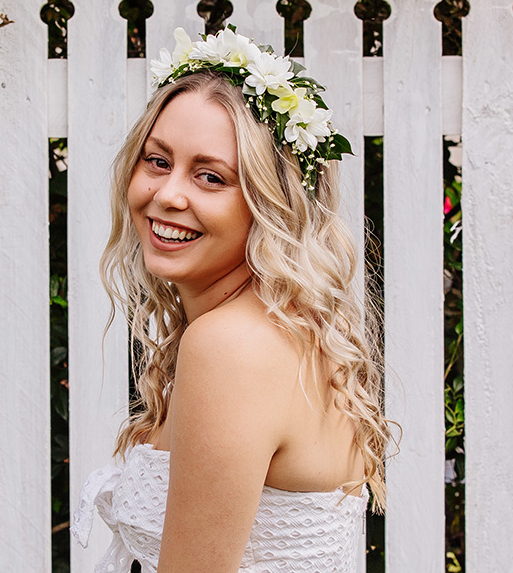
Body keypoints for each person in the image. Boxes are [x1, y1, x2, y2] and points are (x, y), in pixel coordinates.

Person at [71, 28, 392, 572]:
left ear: (270, 203)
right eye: (156, 160)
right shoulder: (279, 329)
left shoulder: (232, 348)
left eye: (210, 176)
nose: (169, 194)